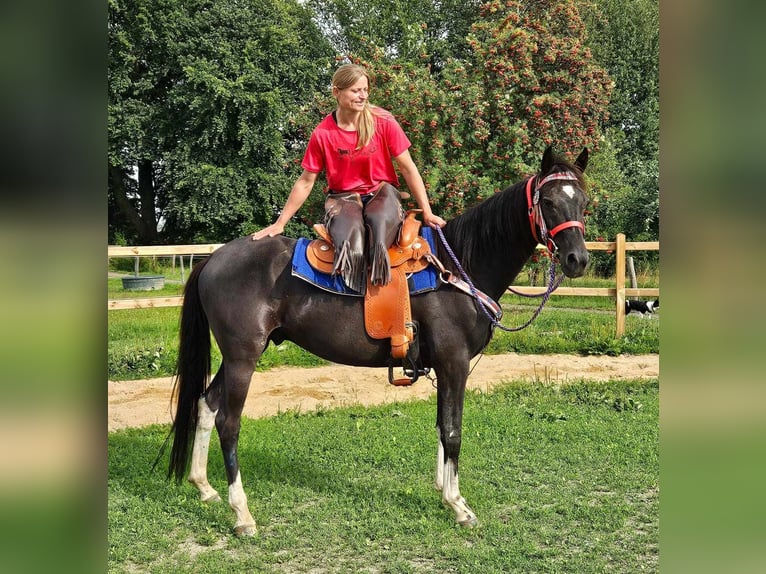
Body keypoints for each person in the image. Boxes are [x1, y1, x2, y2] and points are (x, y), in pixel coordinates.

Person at [252, 63, 445, 293]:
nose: (362, 96)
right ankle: (348, 310)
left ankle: (393, 301)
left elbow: (408, 168)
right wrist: (280, 223)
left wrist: (428, 211)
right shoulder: (323, 134)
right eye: (355, 90)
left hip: (382, 192)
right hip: (342, 198)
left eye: (365, 90)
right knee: (351, 245)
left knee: (380, 232)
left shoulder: (383, 122)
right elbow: (306, 182)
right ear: (336, 92)